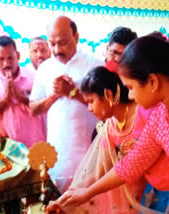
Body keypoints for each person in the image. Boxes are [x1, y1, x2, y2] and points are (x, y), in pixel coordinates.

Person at [47, 36, 169, 214]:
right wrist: (86, 193)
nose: (129, 96)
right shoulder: (160, 117)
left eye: (130, 88)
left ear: (152, 82)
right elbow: (131, 164)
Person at [29, 16, 104, 193]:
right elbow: (33, 109)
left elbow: (107, 107)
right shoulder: (45, 68)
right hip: (58, 154)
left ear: (76, 38)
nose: (56, 50)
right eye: (52, 43)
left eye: (62, 43)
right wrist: (54, 95)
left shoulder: (94, 65)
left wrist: (73, 92)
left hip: (89, 152)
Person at [0, 36, 46, 148]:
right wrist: (5, 100)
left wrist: (20, 97)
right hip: (5, 147)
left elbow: (43, 108)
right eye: (1, 59)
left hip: (34, 144)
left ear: (18, 56)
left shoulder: (33, 77)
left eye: (10, 58)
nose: (6, 64)